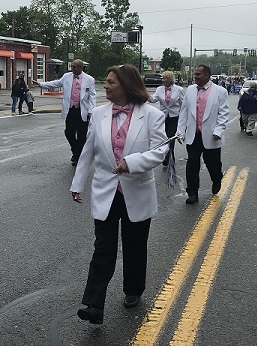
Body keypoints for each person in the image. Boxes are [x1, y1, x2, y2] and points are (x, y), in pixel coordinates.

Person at [70, 64, 168, 324]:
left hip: (137, 190)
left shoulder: (152, 115)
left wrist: (132, 163)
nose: (106, 85)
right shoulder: (97, 113)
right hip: (106, 190)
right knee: (103, 248)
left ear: (125, 84)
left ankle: (133, 289)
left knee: (135, 246)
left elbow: (160, 151)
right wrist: (77, 184)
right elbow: (88, 150)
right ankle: (93, 305)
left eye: (111, 82)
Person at [176, 64, 229, 204]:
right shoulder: (190, 91)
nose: (195, 77)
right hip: (193, 135)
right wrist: (180, 131)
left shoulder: (220, 91)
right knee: (192, 164)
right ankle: (192, 192)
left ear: (207, 75)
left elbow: (223, 114)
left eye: (198, 74)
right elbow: (184, 112)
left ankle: (217, 178)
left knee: (213, 164)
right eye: (195, 74)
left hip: (212, 135)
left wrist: (218, 131)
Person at [33, 59, 96, 166]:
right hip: (70, 110)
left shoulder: (89, 79)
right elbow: (56, 83)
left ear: (80, 68)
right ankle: (75, 149)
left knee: (82, 135)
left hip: (82, 111)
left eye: (74, 67)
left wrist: (91, 110)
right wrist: (41, 84)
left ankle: (77, 156)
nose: (72, 69)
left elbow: (92, 96)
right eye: (72, 66)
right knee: (69, 133)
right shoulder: (67, 76)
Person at [149, 71, 184, 166]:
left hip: (174, 117)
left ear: (169, 79)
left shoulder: (179, 89)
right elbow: (153, 100)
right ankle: (166, 158)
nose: (162, 80)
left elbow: (183, 105)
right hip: (163, 117)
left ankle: (170, 159)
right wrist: (144, 95)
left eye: (164, 78)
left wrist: (183, 119)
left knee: (170, 138)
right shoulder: (159, 89)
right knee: (163, 139)